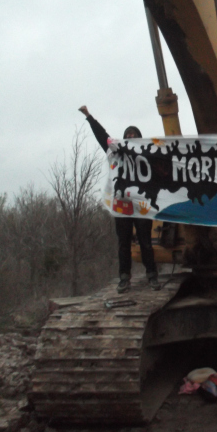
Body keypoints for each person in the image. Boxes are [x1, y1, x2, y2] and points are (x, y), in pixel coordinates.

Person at [78, 105, 160, 293]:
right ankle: (124, 278)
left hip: (141, 204)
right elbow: (102, 135)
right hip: (122, 204)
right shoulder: (116, 151)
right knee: (123, 243)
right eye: (128, 135)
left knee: (145, 241)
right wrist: (89, 116)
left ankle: (152, 275)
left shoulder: (147, 153)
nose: (131, 137)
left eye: (134, 135)